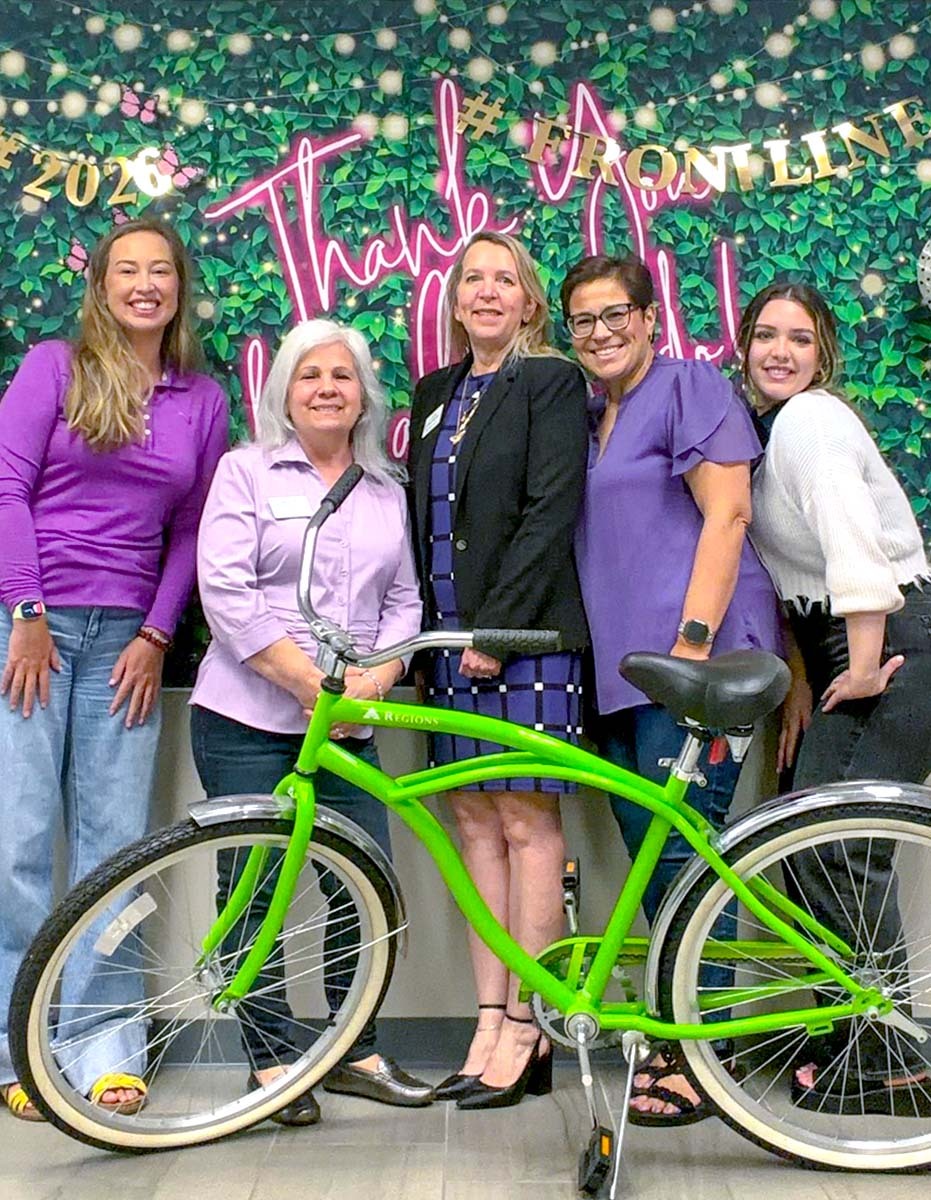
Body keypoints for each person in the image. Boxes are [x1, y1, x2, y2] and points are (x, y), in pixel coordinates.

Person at [0, 218, 228, 1121]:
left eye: (160, 271)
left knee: (114, 854)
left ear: (178, 288)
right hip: (33, 632)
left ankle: (101, 1049)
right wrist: (25, 611)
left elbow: (189, 531)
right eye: (127, 270)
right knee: (18, 846)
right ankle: (17, 1048)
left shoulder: (199, 400)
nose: (145, 284)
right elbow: (5, 487)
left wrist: (157, 632)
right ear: (101, 284)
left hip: (128, 642)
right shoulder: (53, 365)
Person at [190, 318, 433, 1126]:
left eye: (342, 375)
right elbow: (224, 590)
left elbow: (404, 602)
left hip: (350, 724)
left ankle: (352, 1049)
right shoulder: (245, 473)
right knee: (256, 889)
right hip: (246, 718)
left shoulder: (386, 490)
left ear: (364, 394)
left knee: (363, 886)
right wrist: (308, 684)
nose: (327, 387)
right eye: (309, 376)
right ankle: (269, 1062)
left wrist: (379, 675)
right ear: (284, 395)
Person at [560, 253, 781, 1125]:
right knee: (660, 863)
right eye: (582, 320)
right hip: (621, 671)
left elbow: (728, 512)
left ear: (650, 317)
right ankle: (680, 1035)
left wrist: (691, 647)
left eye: (616, 314)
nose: (601, 332)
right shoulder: (586, 413)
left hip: (699, 660)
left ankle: (702, 1055)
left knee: (688, 859)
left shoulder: (686, 387)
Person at [739, 280, 931, 1113]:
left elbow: (851, 541)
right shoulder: (770, 430)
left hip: (889, 639)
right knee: (813, 845)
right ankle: (858, 1037)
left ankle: (890, 1057)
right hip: (849, 643)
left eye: (801, 339)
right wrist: (809, 682)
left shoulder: (811, 420)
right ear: (742, 347)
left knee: (837, 845)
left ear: (824, 356)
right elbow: (792, 578)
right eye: (765, 335)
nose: (779, 351)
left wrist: (855, 668)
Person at [407, 231, 589, 1110]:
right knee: (471, 822)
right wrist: (439, 636)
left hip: (523, 644)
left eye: (504, 279)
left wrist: (500, 628)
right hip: (445, 647)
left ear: (529, 301)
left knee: (524, 822)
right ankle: (486, 1018)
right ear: (454, 300)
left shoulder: (549, 381)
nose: (486, 292)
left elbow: (553, 507)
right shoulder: (436, 393)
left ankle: (529, 1023)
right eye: (471, 278)